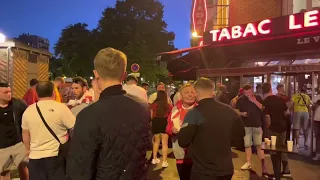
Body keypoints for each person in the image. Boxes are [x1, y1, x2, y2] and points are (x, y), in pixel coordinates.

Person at [67, 48, 150, 180]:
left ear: (96, 74)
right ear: (124, 75)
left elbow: (79, 169)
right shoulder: (142, 107)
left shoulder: (88, 114)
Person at [178, 78, 244, 180]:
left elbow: (183, 141)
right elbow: (240, 135)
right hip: (225, 170)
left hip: (203, 172)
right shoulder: (229, 111)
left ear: (195, 92)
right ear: (213, 91)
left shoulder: (194, 114)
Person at [22, 81, 75, 180]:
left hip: (35, 158)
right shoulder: (61, 108)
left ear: (37, 94)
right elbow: (74, 128)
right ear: (53, 93)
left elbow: (25, 133)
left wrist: (28, 150)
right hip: (56, 156)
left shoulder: (28, 111)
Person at [235, 84, 267, 176]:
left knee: (259, 145)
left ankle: (263, 166)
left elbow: (262, 108)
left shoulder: (257, 97)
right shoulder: (241, 99)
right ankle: (248, 163)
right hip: (246, 126)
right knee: (247, 145)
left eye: (249, 92)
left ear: (252, 90)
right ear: (243, 92)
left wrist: (254, 101)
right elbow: (236, 111)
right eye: (246, 93)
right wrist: (242, 113)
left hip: (257, 125)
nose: (247, 94)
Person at [166, 84, 196, 180]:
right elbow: (167, 127)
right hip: (180, 154)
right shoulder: (175, 109)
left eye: (192, 92)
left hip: (196, 156)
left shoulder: (199, 109)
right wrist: (172, 130)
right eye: (186, 93)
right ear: (181, 96)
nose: (190, 95)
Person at [0, 82, 29, 180]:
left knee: (23, 167)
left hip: (18, 143)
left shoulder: (18, 104)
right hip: (2, 146)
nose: (9, 94)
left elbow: (29, 118)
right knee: (4, 172)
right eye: (5, 92)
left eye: (10, 91)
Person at [262, 82, 291, 179]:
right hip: (283, 127)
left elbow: (264, 113)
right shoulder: (279, 99)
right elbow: (287, 111)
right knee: (282, 149)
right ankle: (286, 170)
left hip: (273, 128)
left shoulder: (267, 100)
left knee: (274, 150)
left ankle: (277, 174)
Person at [150, 91, 173, 168]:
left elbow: (151, 116)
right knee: (164, 143)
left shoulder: (154, 104)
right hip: (165, 122)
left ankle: (154, 158)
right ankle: (164, 161)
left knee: (156, 141)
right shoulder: (168, 105)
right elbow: (171, 115)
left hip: (156, 122)